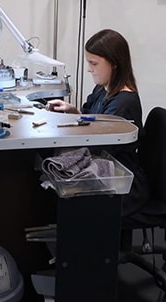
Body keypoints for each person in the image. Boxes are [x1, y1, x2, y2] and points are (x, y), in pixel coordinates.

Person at [47, 29, 148, 217]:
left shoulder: (123, 103)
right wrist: (73, 111)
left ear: (114, 64)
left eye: (94, 63)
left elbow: (100, 146)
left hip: (118, 178)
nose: (89, 68)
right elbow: (91, 118)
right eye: (88, 62)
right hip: (104, 165)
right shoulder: (103, 89)